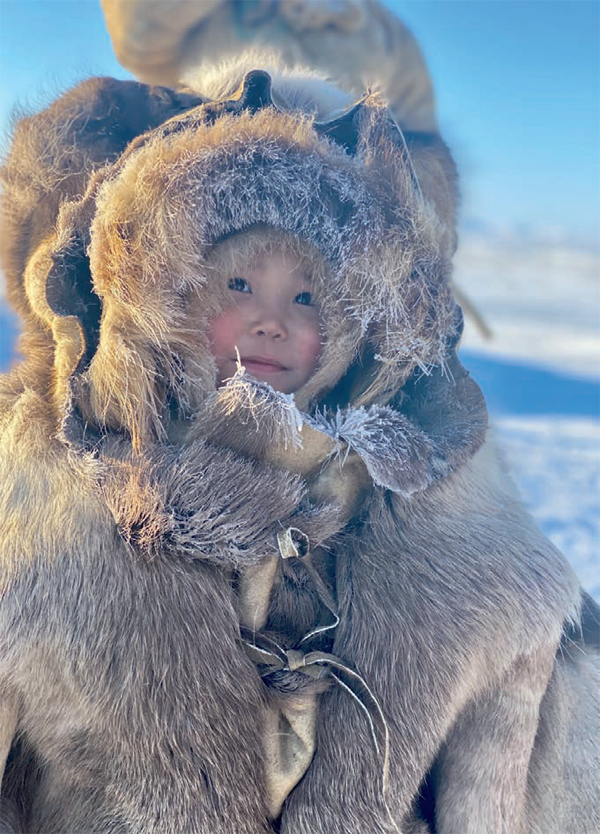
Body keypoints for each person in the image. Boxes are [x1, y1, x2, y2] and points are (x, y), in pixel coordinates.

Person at [0, 53, 598, 834]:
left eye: (308, 296)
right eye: (237, 285)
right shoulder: (39, 503)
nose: (271, 321)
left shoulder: (455, 528)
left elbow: (518, 776)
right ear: (165, 293)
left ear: (359, 323)